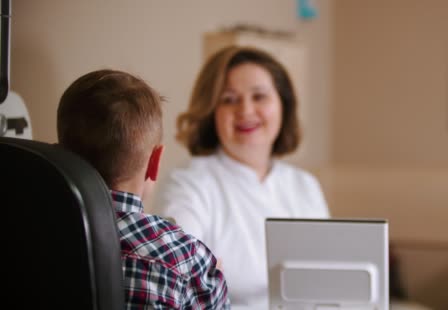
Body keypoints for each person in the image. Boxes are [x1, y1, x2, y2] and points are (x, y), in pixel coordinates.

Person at [156, 46, 330, 309]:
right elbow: (182, 279)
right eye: (229, 99)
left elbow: (328, 279)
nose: (246, 110)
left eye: (259, 96)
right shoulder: (188, 183)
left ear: (284, 104)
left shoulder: (305, 185)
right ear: (212, 111)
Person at [56, 69, 230, 309]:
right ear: (155, 162)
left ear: (59, 152)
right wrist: (210, 274)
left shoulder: (29, 232)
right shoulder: (186, 256)